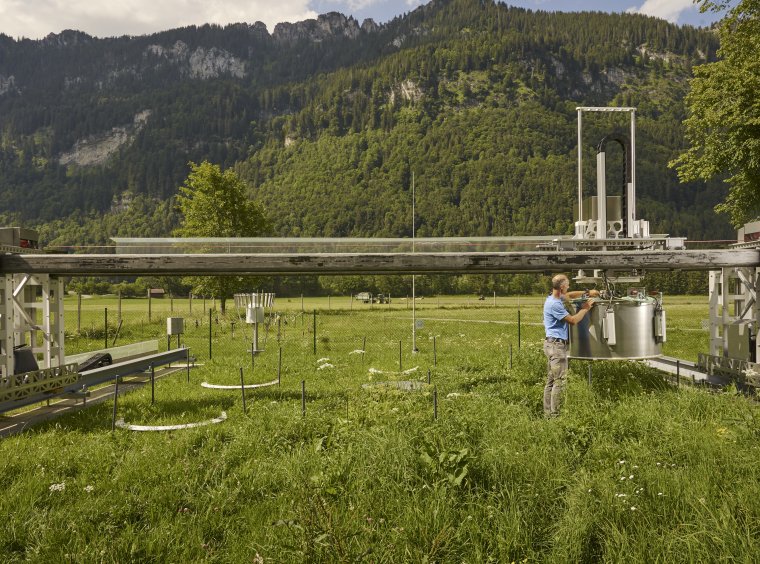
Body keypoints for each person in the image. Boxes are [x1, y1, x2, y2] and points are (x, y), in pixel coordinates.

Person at [543, 274, 599, 417]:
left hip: (551, 344)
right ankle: (555, 416)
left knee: (551, 381)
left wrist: (587, 293)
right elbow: (573, 320)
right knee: (559, 381)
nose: (568, 287)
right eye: (567, 284)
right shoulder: (555, 304)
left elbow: (569, 295)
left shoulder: (553, 297)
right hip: (556, 346)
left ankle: (548, 414)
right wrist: (586, 308)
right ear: (561, 286)